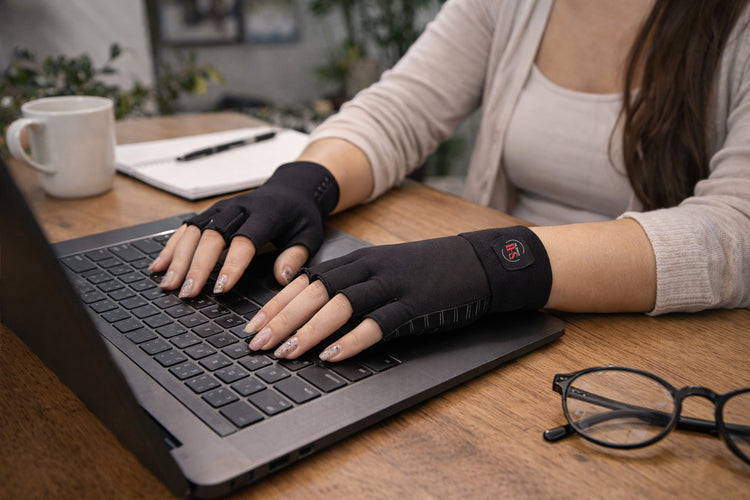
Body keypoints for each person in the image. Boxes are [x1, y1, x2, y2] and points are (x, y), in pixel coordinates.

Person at [150, 0, 750, 363]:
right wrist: (302, 183)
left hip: (657, 349)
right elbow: (400, 110)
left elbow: (737, 229)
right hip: (510, 329)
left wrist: (496, 263)